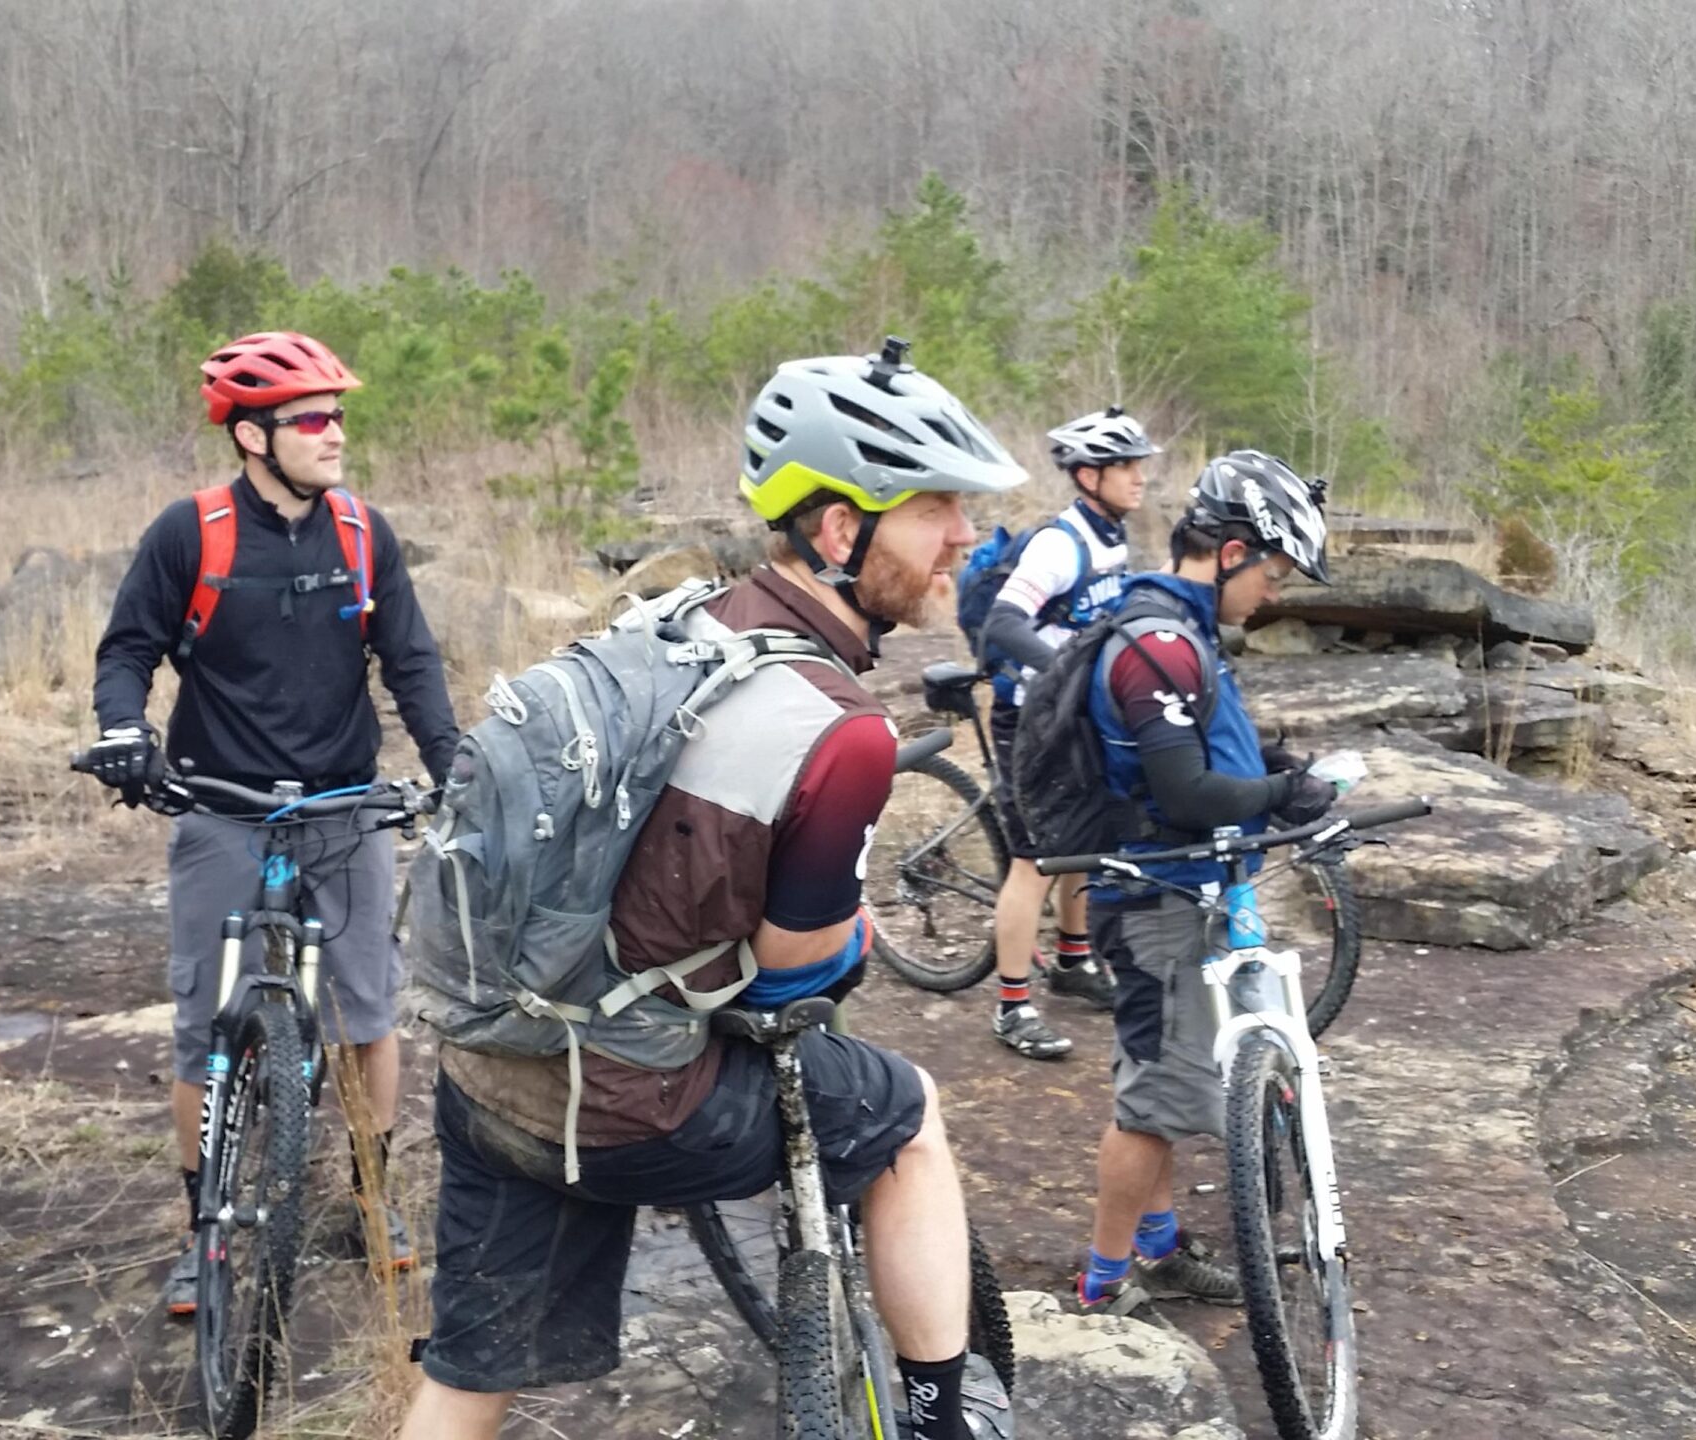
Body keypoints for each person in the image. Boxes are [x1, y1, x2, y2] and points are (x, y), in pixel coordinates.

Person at [400, 343, 1019, 1440]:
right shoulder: (841, 735)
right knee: (907, 1114)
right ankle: (939, 1416)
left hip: (492, 1067)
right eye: (937, 511)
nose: (964, 538)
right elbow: (796, 969)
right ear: (841, 530)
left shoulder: (678, 625)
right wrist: (847, 925)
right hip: (635, 1110)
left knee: (465, 1375)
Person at [87, 331, 460, 1305]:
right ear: (253, 436)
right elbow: (126, 650)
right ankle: (203, 1221)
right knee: (202, 1029)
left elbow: (409, 662)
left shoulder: (360, 532)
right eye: (312, 419)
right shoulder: (191, 533)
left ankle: (371, 1199)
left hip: (345, 807)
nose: (334, 434)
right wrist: (124, 732)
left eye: (338, 415)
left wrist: (453, 764)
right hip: (219, 808)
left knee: (368, 1017)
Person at [1068, 451, 1341, 1314]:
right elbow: (1184, 792)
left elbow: (1199, 752)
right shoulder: (1155, 644)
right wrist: (1282, 794)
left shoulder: (1181, 632)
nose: (1274, 591)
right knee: (1152, 1104)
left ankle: (1157, 1249)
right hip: (1156, 902)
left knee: (1156, 1079)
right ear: (1230, 553)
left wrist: (1272, 767)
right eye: (1273, 570)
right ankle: (1103, 1288)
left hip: (1186, 892)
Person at [976, 407, 1156, 1060]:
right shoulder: (1060, 544)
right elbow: (1003, 622)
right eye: (1127, 467)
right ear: (1087, 475)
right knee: (1036, 861)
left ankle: (1074, 962)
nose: (1140, 478)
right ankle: (1012, 1004)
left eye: (1142, 465)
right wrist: (1065, 670)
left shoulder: (1111, 538)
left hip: (1076, 718)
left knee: (1087, 841)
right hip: (1031, 721)